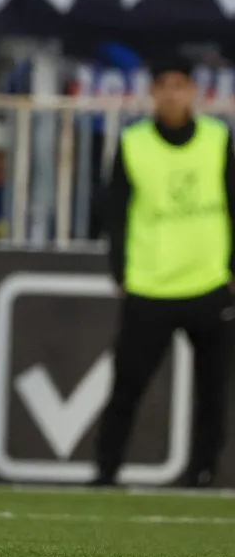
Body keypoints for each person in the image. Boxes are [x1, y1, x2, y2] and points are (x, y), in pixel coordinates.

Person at [92, 54, 235, 488]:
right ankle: (106, 474)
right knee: (126, 388)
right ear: (152, 93)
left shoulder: (217, 139)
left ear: (194, 91)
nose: (173, 93)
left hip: (210, 282)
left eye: (180, 85)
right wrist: (120, 272)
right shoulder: (134, 143)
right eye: (164, 85)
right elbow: (114, 211)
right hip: (150, 286)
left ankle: (202, 474)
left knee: (213, 392)